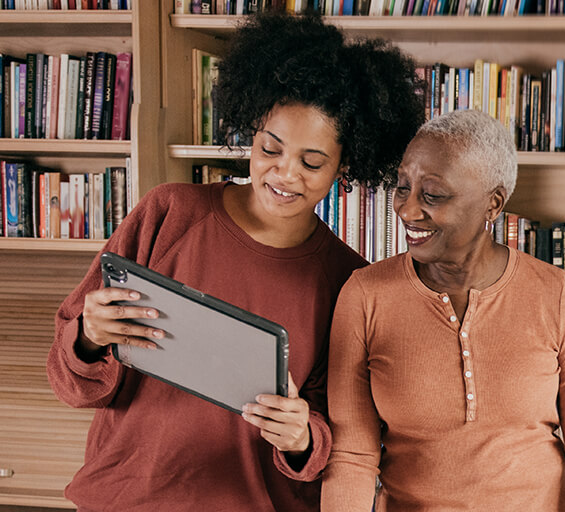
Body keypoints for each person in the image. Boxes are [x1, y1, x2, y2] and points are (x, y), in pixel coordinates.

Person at [47, 12, 424, 512]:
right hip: (125, 497)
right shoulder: (171, 212)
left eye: (312, 162)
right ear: (251, 131)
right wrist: (90, 337)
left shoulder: (345, 280)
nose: (285, 174)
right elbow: (68, 379)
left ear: (344, 164)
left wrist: (300, 435)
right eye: (271, 147)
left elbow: (333, 440)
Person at [322, 109, 565, 511]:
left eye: (432, 195)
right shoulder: (365, 296)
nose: (407, 209)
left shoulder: (553, 294)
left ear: (493, 204)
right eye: (403, 187)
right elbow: (352, 458)